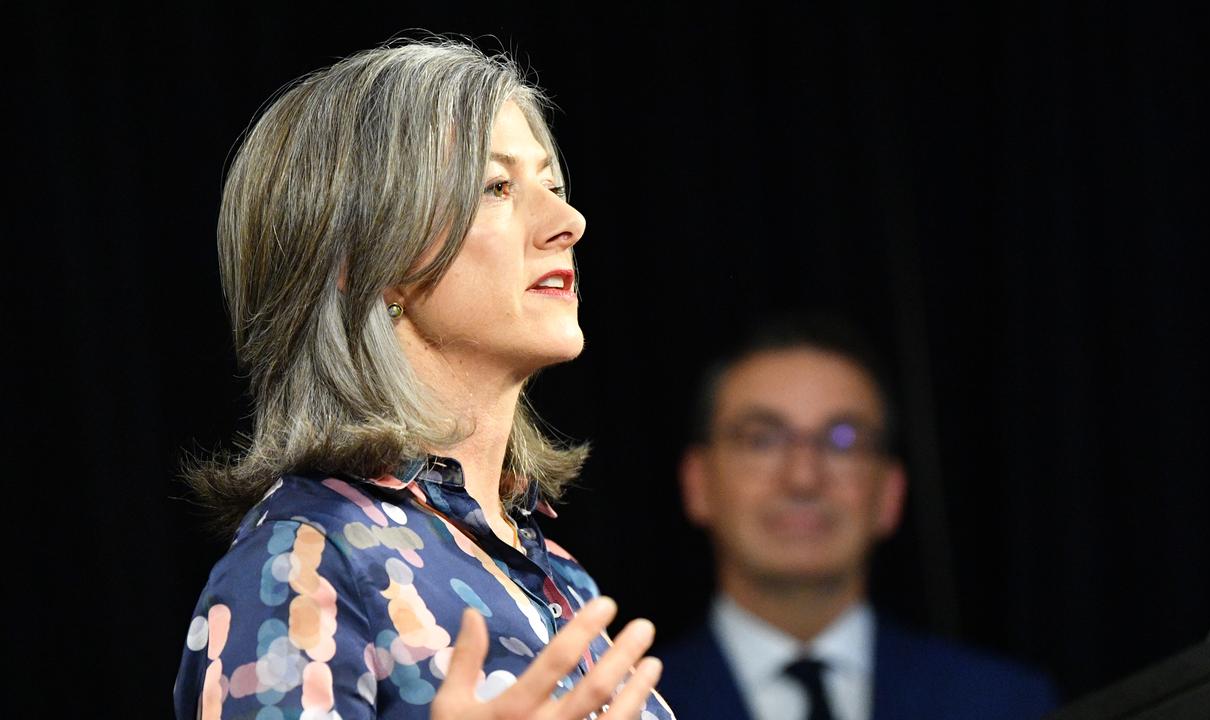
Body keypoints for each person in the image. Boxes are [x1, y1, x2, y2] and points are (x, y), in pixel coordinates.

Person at [174, 39, 673, 720]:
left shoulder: (560, 577)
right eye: (496, 188)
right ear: (360, 260)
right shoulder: (304, 565)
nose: (568, 223)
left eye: (552, 187)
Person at [657, 314, 1056, 720]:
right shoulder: (627, 706)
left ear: (891, 492)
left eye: (842, 440)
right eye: (762, 439)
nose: (804, 478)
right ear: (697, 482)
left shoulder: (1005, 703)